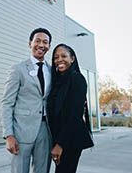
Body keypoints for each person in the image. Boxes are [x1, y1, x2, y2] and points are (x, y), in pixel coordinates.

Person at [1, 28, 52, 173]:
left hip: (45, 131)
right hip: (21, 130)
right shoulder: (18, 69)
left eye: (45, 42)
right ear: (30, 44)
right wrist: (9, 134)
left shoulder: (52, 71)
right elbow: (7, 103)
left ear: (49, 46)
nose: (41, 45)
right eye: (37, 41)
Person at [47, 44, 94, 173]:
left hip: (70, 139)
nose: (59, 60)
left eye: (64, 56)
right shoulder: (58, 81)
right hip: (60, 138)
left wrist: (60, 144)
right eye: (56, 57)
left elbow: (75, 115)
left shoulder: (77, 78)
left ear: (72, 59)